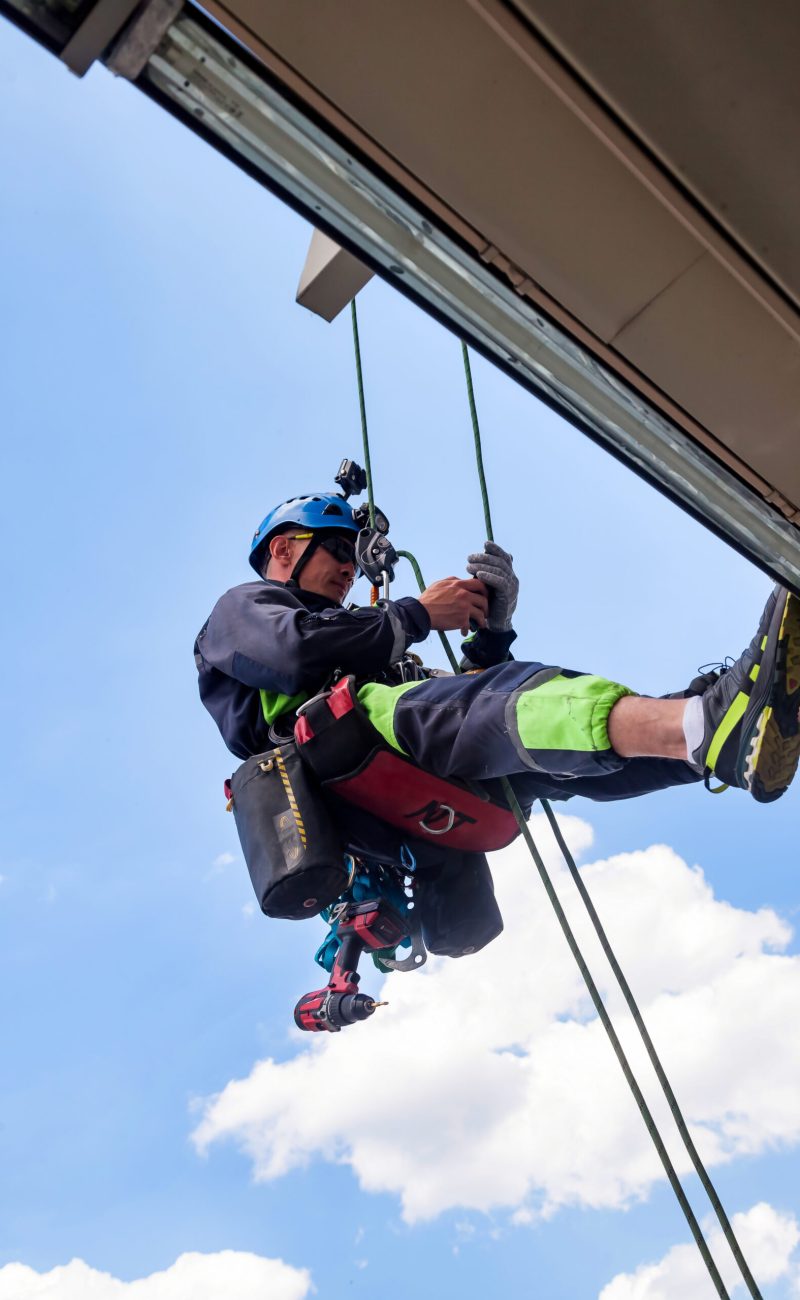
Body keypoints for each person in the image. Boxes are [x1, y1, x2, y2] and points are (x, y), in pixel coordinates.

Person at [195, 490, 800, 814]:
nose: (351, 569)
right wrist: (415, 614)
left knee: (551, 757)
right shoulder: (242, 608)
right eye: (336, 551)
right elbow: (292, 652)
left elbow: (454, 696)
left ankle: (716, 736)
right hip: (335, 751)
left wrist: (493, 632)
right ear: (282, 549)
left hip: (392, 760)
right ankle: (709, 726)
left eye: (355, 560)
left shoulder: (353, 640)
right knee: (511, 701)